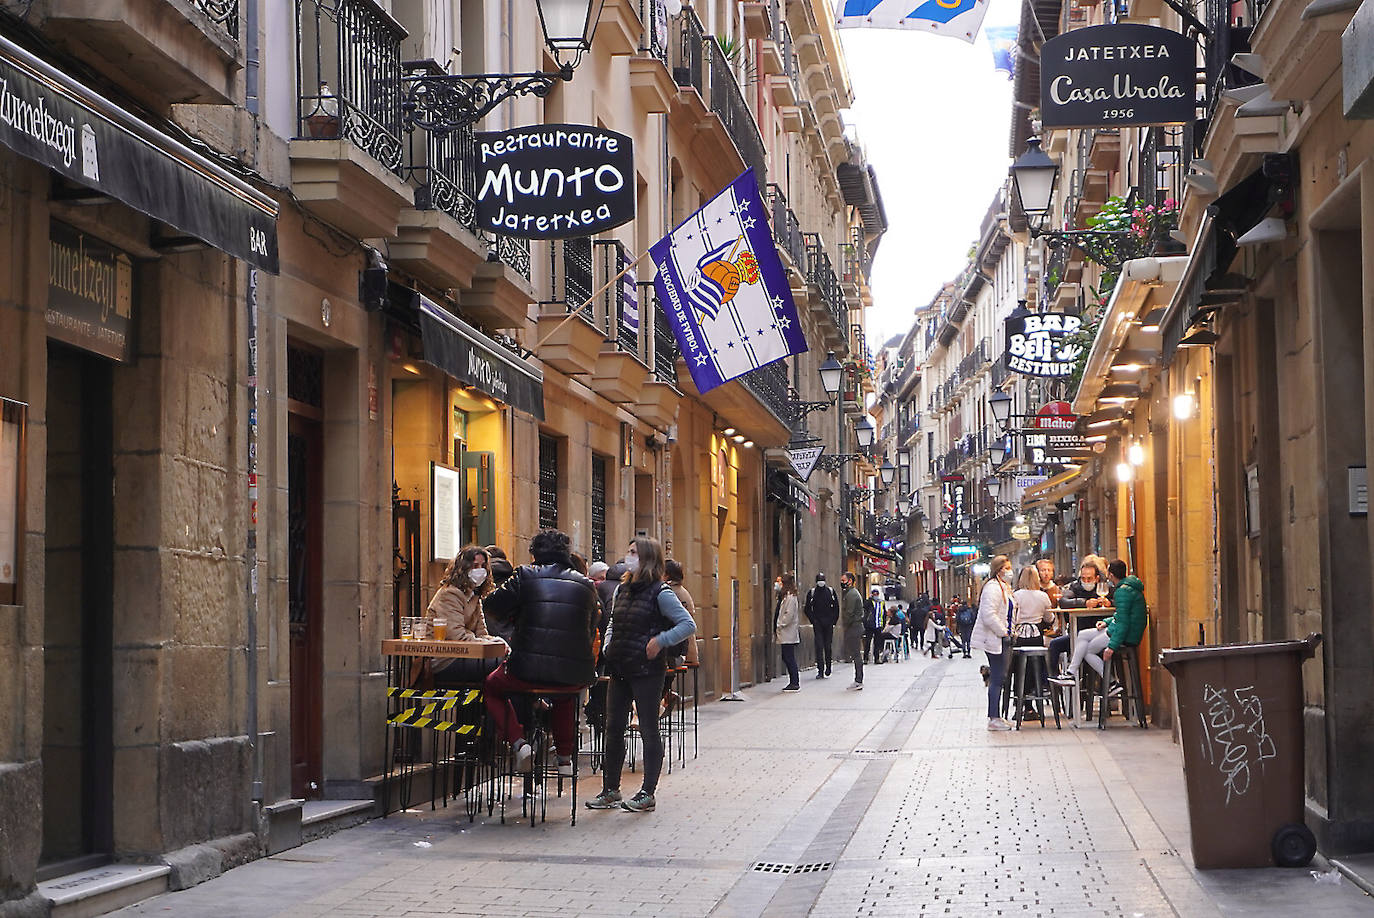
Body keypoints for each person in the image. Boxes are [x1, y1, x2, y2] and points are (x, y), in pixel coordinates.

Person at [586, 537, 697, 813]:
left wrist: (660, 641)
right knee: (613, 728)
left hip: (648, 671)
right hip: (620, 666)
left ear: (647, 558)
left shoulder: (662, 592)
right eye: (629, 551)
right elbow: (613, 620)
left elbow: (687, 624)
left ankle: (648, 792)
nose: (629, 556)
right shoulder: (622, 590)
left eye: (634, 552)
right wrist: (609, 645)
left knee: (648, 728)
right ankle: (610, 789)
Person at [482, 530, 598, 776]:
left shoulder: (525, 575)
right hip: (572, 674)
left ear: (535, 552)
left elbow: (491, 605)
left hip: (526, 671)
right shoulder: (586, 584)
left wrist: (514, 616)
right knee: (563, 693)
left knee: (492, 685)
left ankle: (518, 742)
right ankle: (565, 758)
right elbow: (589, 630)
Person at [1051, 560, 1147, 688]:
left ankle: (1111, 682)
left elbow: (1122, 623)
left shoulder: (1121, 592)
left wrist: (1111, 647)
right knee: (1083, 635)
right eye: (1083, 578)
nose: (1086, 581)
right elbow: (1121, 616)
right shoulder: (1128, 588)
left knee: (1088, 651)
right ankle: (1071, 674)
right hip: (1117, 629)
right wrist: (1106, 621)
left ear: (1110, 575)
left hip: (1124, 634)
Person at [422, 546, 504, 686]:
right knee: (504, 666)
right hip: (445, 660)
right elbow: (457, 636)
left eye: (483, 566)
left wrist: (498, 642)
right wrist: (486, 644)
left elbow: (481, 633)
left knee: (509, 661)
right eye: (475, 566)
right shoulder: (450, 594)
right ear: (464, 568)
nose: (481, 570)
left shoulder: (474, 596)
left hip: (467, 655)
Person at [1047, 556, 1113, 677]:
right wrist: (1084, 603)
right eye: (1083, 578)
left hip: (1101, 634)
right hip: (1077, 634)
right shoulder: (1075, 587)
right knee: (1055, 645)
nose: (1086, 582)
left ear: (1097, 578)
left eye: (1089, 579)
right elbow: (1064, 601)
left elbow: (1118, 603)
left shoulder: (1105, 588)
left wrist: (1109, 603)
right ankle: (1053, 684)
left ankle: (1105, 681)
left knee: (1086, 647)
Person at [971, 555, 1013, 731]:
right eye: (1007, 568)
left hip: (1001, 638)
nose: (1010, 572)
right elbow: (989, 615)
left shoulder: (1002, 587)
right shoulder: (993, 589)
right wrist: (1003, 631)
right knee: (997, 678)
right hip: (996, 639)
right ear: (999, 570)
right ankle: (993, 717)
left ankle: (996, 716)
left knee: (999, 677)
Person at [1011, 566, 1055, 716]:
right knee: (1033, 668)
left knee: (1019, 669)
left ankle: (1019, 703)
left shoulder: (1015, 595)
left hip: (1019, 637)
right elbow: (1049, 618)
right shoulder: (1042, 596)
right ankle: (1034, 698)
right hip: (1035, 637)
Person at [661, 559, 701, 715]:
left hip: (676, 651)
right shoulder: (682, 591)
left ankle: (660, 701)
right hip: (684, 649)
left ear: (666, 574)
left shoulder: (669, 593)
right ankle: (665, 697)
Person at [803, 572, 839, 679]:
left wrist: (833, 621)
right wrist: (813, 620)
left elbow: (836, 608)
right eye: (819, 580)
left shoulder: (830, 592)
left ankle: (828, 666)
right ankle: (820, 670)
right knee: (819, 647)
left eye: (822, 579)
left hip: (828, 624)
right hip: (818, 624)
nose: (821, 582)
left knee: (827, 646)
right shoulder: (812, 593)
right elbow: (807, 609)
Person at [839, 571, 865, 690]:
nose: (842, 583)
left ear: (850, 581)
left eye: (843, 581)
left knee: (855, 654)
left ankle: (858, 680)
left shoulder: (851, 595)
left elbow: (849, 613)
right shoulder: (851, 593)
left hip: (854, 627)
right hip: (855, 626)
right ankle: (858, 679)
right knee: (855, 654)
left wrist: (845, 625)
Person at [775, 573, 801, 691]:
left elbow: (788, 614)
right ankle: (793, 681)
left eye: (779, 582)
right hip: (785, 632)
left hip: (787, 631)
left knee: (788, 657)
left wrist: (780, 624)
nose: (777, 584)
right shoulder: (785, 596)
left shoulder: (790, 597)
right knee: (787, 656)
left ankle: (794, 682)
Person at [863, 587, 884, 664]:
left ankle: (877, 659)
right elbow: (865, 609)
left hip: (878, 625)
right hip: (870, 625)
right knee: (868, 642)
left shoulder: (881, 603)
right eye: (874, 594)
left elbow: (883, 614)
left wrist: (883, 624)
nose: (875, 595)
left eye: (876, 594)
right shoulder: (869, 602)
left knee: (877, 643)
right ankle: (865, 658)